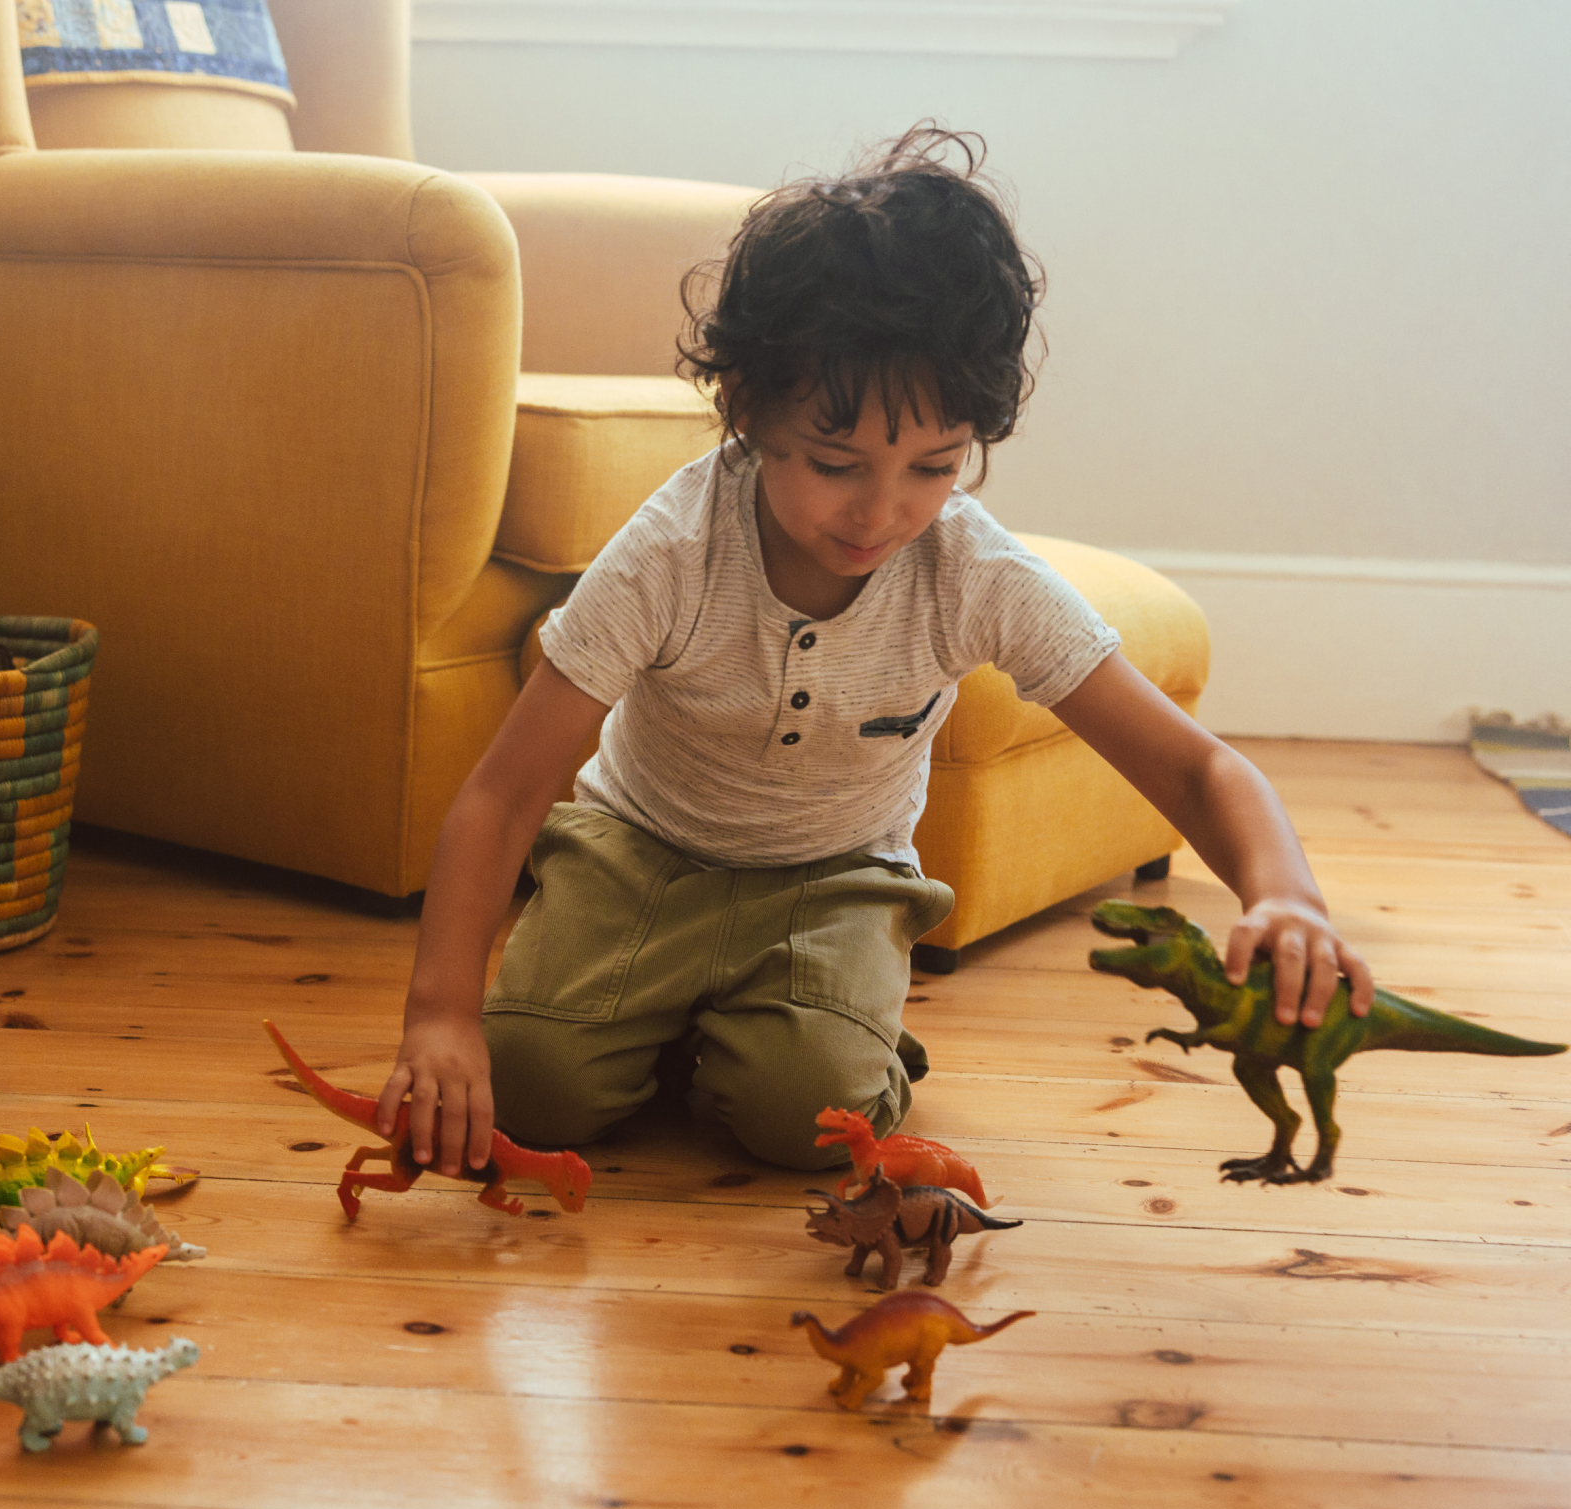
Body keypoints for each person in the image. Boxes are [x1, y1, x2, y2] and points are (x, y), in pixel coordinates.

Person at [375, 126, 1373, 1178]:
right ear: (748, 410)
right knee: (529, 1088)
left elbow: (1197, 765)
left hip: (836, 878)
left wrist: (1287, 896)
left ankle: (800, 1034)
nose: (882, 509)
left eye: (933, 465)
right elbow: (502, 794)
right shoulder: (668, 554)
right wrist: (438, 1011)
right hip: (638, 852)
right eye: (835, 462)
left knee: (803, 1115)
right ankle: (686, 1027)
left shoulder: (971, 573)